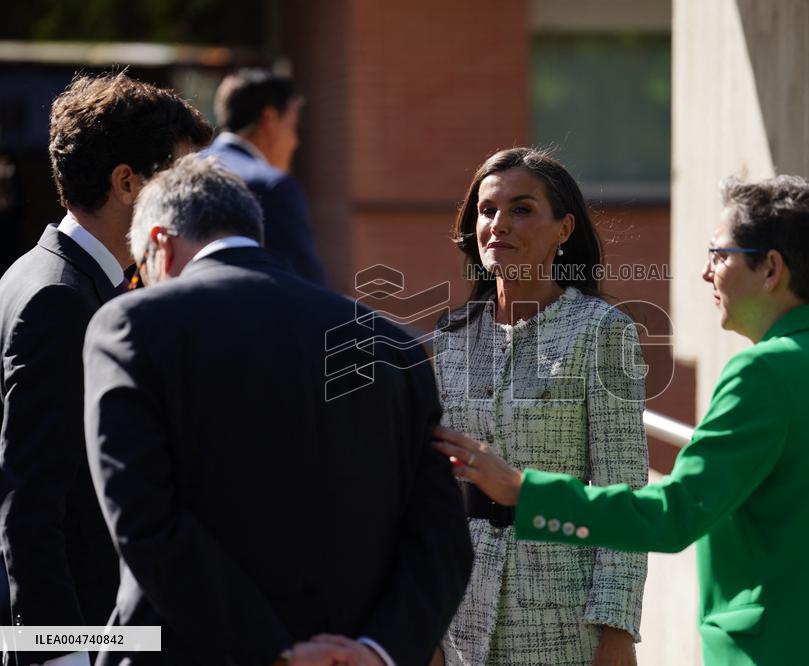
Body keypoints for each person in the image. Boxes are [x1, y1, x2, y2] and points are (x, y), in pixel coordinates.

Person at [435, 175, 809, 665]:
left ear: (770, 270)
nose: (706, 271)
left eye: (720, 255)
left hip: (795, 648)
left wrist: (523, 490)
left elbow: (674, 514)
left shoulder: (762, 372)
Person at [82, 155, 472, 666]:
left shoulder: (131, 327)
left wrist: (277, 653)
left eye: (142, 272)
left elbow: (145, 520)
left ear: (159, 244)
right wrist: (379, 650)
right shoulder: (388, 342)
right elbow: (441, 532)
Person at [0, 73, 211, 665]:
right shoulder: (57, 298)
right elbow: (28, 503)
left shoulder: (48, 276)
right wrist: (57, 654)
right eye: (179, 183)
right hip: (80, 634)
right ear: (126, 182)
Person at [434, 147, 647, 665]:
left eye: (522, 209)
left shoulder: (603, 331)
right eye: (487, 211)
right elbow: (429, 491)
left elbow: (623, 493)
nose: (499, 224)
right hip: (458, 613)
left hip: (565, 616)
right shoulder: (451, 336)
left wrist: (616, 630)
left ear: (563, 229)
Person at [201, 68, 327, 286]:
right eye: (293, 126)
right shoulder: (272, 186)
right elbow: (308, 288)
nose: (295, 141)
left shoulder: (180, 168)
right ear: (269, 119)